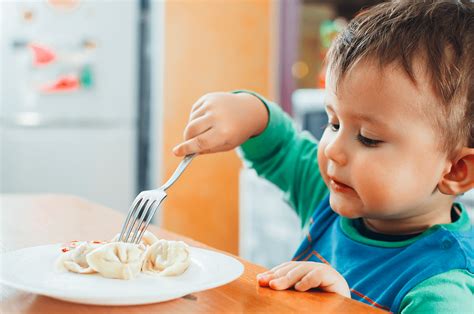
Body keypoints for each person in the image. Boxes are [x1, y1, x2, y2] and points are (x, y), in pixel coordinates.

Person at [173, 0, 474, 312]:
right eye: (334, 123)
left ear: (456, 171)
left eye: (368, 139)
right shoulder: (333, 196)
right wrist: (248, 111)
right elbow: (280, 147)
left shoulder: (443, 288)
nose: (333, 149)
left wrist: (345, 308)